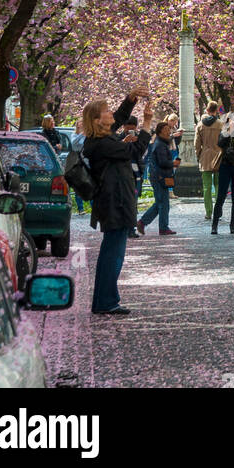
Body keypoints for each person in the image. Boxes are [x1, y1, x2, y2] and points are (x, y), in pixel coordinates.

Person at [83, 86, 152, 317]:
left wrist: (130, 98)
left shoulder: (101, 138)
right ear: (96, 119)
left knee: (112, 251)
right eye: (106, 111)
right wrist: (147, 124)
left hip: (114, 200)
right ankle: (105, 301)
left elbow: (120, 117)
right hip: (115, 202)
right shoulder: (102, 144)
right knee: (113, 252)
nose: (111, 113)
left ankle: (106, 299)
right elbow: (137, 150)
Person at [137, 121, 178, 236]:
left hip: (160, 176)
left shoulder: (162, 143)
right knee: (163, 203)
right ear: (159, 132)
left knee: (161, 202)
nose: (168, 131)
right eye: (165, 130)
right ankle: (161, 227)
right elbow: (163, 162)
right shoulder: (160, 144)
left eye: (169, 129)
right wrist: (173, 163)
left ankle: (143, 222)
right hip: (159, 177)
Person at [212, 112, 234, 235]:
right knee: (221, 195)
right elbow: (220, 143)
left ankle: (233, 225)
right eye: (231, 119)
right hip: (225, 165)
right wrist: (229, 130)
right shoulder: (224, 132)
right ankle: (214, 225)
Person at [194, 101, 223, 220]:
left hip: (205, 156)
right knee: (218, 185)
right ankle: (218, 210)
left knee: (206, 187)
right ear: (216, 111)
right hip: (218, 156)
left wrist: (199, 155)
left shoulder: (200, 125)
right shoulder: (221, 124)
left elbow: (197, 144)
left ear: (207, 110)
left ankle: (208, 212)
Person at [70, 117, 88, 214]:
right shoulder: (74, 134)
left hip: (87, 162)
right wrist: (81, 134)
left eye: (82, 122)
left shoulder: (87, 135)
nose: (81, 124)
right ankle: (80, 208)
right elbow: (73, 144)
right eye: (80, 122)